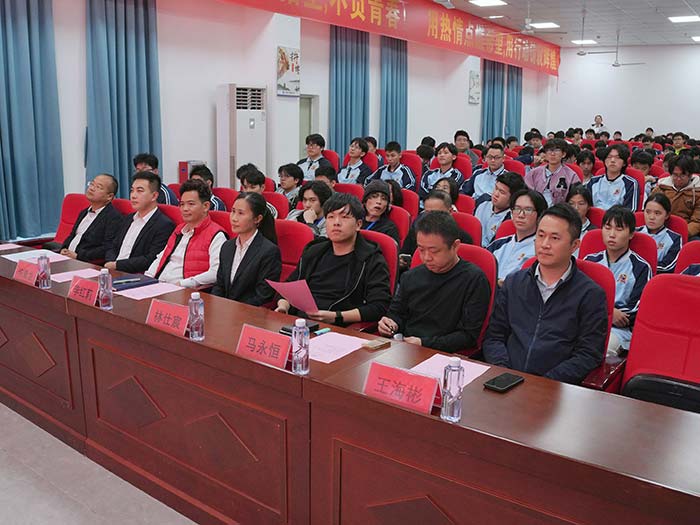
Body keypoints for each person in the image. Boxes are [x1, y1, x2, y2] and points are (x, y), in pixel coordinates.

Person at [483, 203, 608, 384]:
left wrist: (545, 383)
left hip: (554, 388)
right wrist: (504, 372)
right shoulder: (514, 283)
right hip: (505, 380)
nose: (545, 244)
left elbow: (588, 354)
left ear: (574, 245)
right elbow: (494, 337)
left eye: (555, 238)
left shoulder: (590, 295)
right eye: (541, 235)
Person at [378, 211, 490, 353]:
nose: (426, 258)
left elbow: (468, 336)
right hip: (406, 348)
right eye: (421, 249)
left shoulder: (474, 280)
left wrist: (423, 343)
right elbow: (396, 313)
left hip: (445, 354)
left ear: (455, 246)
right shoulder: (411, 276)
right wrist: (389, 323)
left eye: (434, 251)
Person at [275, 193, 391, 325]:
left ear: (358, 224)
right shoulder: (314, 251)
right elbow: (289, 287)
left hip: (339, 327)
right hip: (300, 323)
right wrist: (283, 306)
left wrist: (337, 316)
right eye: (330, 217)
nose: (336, 222)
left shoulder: (371, 259)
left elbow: (379, 306)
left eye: (344, 217)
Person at [584, 205, 652, 356]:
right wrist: (609, 312)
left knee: (601, 348)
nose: (612, 234)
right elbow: (576, 297)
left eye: (619, 229)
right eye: (607, 228)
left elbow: (636, 310)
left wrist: (610, 315)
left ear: (631, 234)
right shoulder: (589, 261)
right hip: (586, 322)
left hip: (618, 330)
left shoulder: (641, 267)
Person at [146, 179, 227, 288]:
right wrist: (148, 278)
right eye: (182, 204)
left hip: (184, 289)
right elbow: (162, 257)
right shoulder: (179, 229)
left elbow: (216, 272)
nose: (184, 209)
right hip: (160, 285)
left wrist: (184, 284)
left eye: (191, 204)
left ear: (206, 206)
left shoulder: (216, 235)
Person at [211, 192, 281, 305]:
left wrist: (233, 309)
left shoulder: (269, 251)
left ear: (257, 219)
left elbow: (263, 295)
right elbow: (219, 285)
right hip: (224, 309)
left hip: (249, 311)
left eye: (241, 213)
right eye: (233, 211)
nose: (234, 218)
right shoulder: (227, 246)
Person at [105, 171, 175, 273]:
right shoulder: (128, 219)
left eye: (139, 191)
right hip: (112, 270)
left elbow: (151, 259)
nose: (133, 195)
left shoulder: (164, 225)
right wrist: (110, 262)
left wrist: (116, 265)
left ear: (154, 196)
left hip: (135, 275)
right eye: (132, 190)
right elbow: (113, 246)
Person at [487, 189, 547, 284]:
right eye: (517, 208)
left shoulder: (541, 250)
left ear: (540, 215)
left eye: (528, 210)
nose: (521, 215)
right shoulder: (498, 244)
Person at [59, 174, 123, 262]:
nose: (92, 188)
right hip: (67, 258)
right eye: (92, 184)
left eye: (98, 187)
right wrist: (64, 248)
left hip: (85, 262)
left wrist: (79, 256)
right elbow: (72, 235)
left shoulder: (114, 218)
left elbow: (108, 248)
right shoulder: (84, 212)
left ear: (109, 196)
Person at [400, 190, 472, 266]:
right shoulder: (416, 232)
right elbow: (404, 255)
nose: (431, 217)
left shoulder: (463, 239)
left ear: (450, 211)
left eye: (437, 213)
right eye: (427, 213)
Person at [651, 155, 700, 238]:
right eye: (675, 175)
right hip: (660, 229)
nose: (678, 179)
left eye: (682, 175)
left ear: (690, 175)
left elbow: (697, 221)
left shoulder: (697, 192)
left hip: (686, 232)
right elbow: (651, 211)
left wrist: (680, 234)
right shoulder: (661, 188)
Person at [475, 172, 526, 248]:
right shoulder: (482, 202)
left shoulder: (510, 219)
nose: (496, 194)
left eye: (502, 192)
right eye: (496, 188)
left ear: (513, 198)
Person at [524, 138, 580, 206]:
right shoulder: (534, 173)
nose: (552, 154)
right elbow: (526, 194)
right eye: (549, 150)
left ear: (563, 154)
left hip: (561, 210)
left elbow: (575, 199)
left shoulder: (571, 176)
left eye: (556, 150)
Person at [587, 144, 641, 211]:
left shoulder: (630, 184)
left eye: (617, 157)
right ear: (604, 161)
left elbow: (630, 211)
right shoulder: (593, 182)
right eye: (609, 157)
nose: (612, 160)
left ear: (624, 163)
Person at [637, 193, 682, 273]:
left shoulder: (675, 239)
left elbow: (668, 267)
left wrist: (641, 268)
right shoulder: (635, 232)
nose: (651, 217)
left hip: (657, 276)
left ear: (667, 215)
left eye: (657, 213)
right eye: (648, 212)